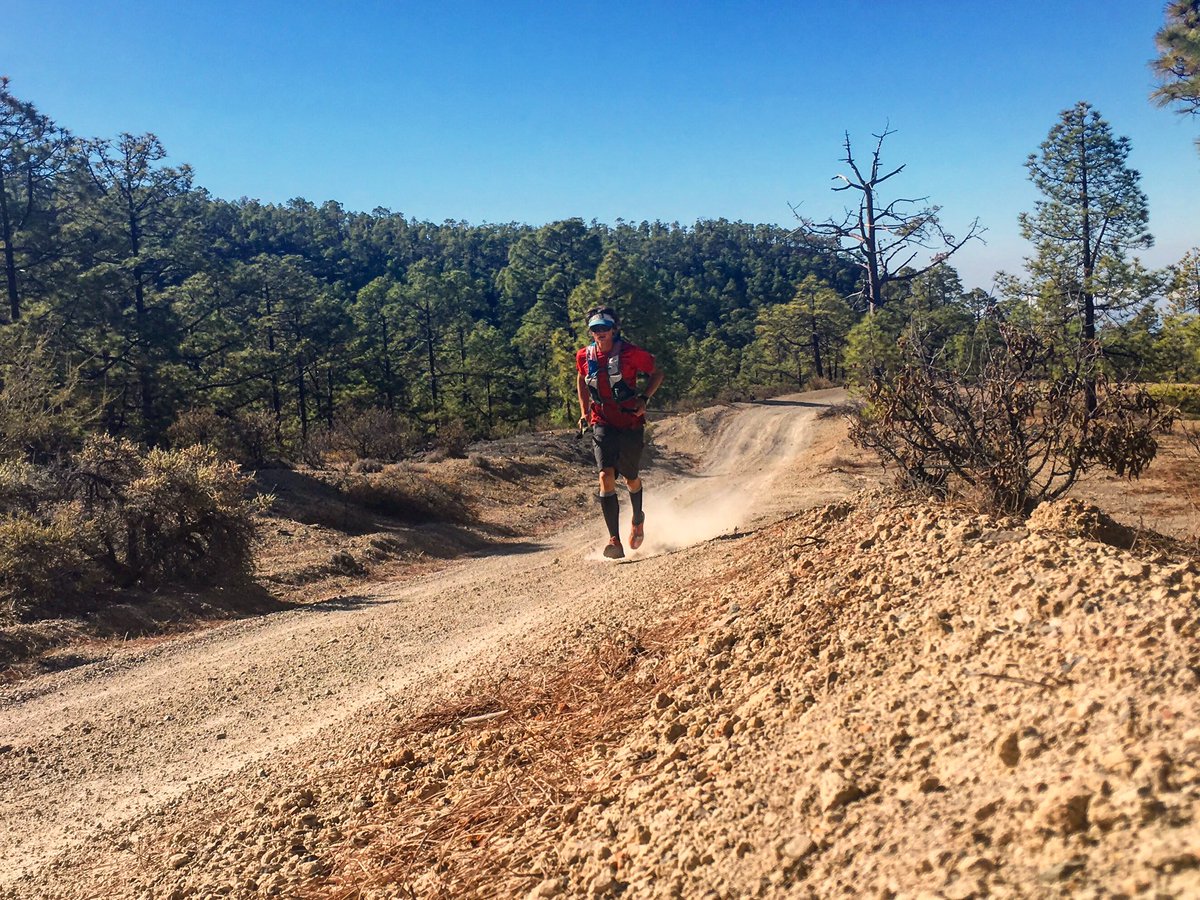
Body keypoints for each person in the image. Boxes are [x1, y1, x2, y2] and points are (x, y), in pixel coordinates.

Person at [576, 305, 664, 559]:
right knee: (605, 475)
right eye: (595, 328)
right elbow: (581, 379)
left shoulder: (631, 353)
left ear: (614, 329)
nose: (600, 332)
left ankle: (637, 518)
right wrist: (584, 412)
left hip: (629, 423)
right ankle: (614, 540)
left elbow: (657, 372)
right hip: (601, 421)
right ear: (590, 331)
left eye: (604, 327)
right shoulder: (584, 356)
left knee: (630, 478)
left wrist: (644, 399)